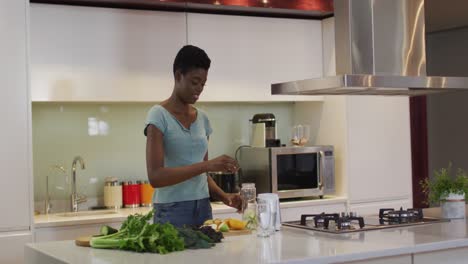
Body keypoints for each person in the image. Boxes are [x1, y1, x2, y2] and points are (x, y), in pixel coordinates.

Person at [144, 45, 242, 227]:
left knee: (209, 256)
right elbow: (155, 177)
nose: (199, 89)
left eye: (203, 84)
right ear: (178, 76)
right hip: (171, 209)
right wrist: (207, 165)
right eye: (194, 82)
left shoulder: (203, 119)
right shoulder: (158, 115)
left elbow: (202, 175)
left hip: (204, 207)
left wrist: (224, 196)